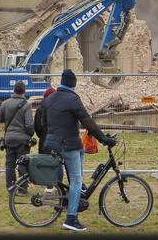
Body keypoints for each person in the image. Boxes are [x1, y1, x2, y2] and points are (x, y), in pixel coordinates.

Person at [43, 69, 117, 231]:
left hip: (52, 143)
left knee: (81, 151)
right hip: (66, 144)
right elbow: (87, 120)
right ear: (74, 84)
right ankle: (71, 218)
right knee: (75, 180)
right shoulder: (73, 99)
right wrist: (103, 138)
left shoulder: (50, 99)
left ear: (62, 82)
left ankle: (78, 187)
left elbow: (44, 122)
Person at [0, 81, 36, 192]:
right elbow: (29, 123)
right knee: (22, 163)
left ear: (14, 91)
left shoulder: (5, 104)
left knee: (10, 164)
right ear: (24, 91)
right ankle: (22, 188)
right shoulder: (26, 105)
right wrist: (30, 133)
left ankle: (10, 186)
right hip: (22, 139)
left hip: (9, 138)